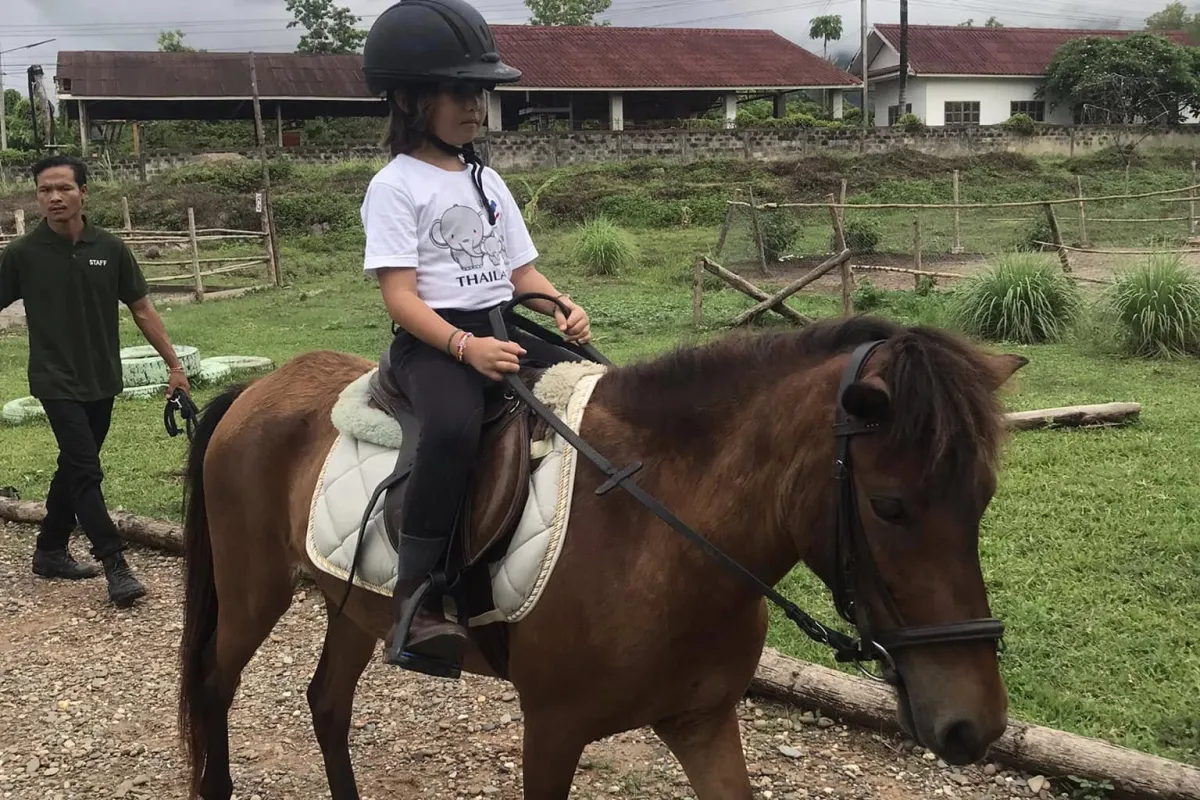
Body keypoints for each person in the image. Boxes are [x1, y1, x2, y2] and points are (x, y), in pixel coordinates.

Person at [359, 0, 593, 676]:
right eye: (457, 92)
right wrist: (465, 349)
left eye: (480, 92)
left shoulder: (486, 179)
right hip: (434, 342)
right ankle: (417, 598)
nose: (475, 106)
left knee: (598, 389)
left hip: (501, 326)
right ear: (410, 98)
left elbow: (519, 273)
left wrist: (560, 304)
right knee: (454, 427)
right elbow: (400, 297)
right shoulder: (395, 186)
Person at [0, 154, 192, 607]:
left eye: (63, 188)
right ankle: (114, 563)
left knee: (74, 466)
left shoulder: (110, 248)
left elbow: (142, 308)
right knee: (86, 469)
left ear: (83, 192)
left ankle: (49, 550)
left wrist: (175, 366)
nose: (54, 197)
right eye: (45, 190)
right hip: (54, 380)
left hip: (102, 378)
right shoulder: (22, 254)